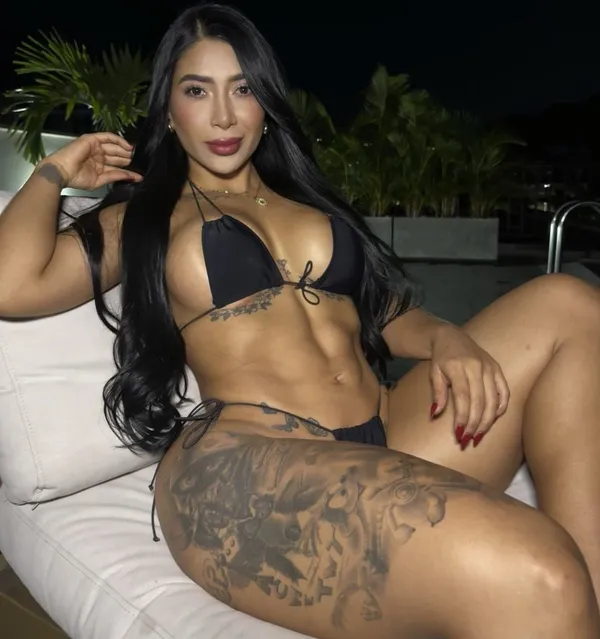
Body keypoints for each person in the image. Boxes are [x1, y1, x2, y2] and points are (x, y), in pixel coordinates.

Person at [1, 3, 600, 637]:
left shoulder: (306, 202)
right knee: (537, 571)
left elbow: (382, 308)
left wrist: (446, 337)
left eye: (243, 89)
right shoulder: (146, 217)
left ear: (266, 103)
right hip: (252, 465)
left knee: (568, 303)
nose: (224, 115)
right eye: (197, 91)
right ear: (169, 110)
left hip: (385, 431)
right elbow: (11, 283)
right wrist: (54, 175)